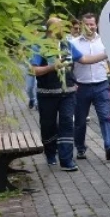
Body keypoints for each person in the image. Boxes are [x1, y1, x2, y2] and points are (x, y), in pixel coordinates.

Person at [28, 17, 81, 171]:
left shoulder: (67, 45)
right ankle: (50, 152)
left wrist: (107, 54)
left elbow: (84, 58)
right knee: (48, 125)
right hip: (47, 94)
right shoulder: (39, 46)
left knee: (66, 122)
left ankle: (66, 160)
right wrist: (52, 67)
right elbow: (33, 70)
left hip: (68, 93)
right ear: (51, 29)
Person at [70, 13, 110, 160]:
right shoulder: (74, 43)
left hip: (101, 84)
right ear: (82, 25)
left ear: (96, 25)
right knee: (80, 121)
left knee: (105, 117)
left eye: (92, 24)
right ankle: (81, 147)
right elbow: (69, 66)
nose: (90, 27)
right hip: (81, 86)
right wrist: (71, 83)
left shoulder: (105, 41)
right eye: (87, 24)